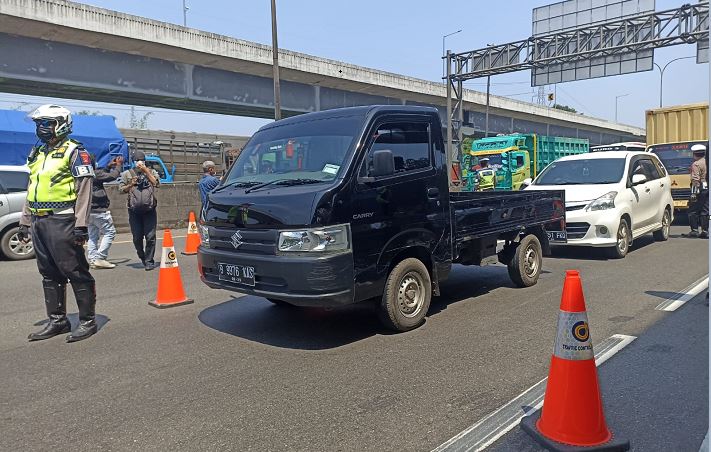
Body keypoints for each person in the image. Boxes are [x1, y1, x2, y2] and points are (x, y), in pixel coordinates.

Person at [18, 104, 98, 342]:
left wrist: (81, 224)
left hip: (63, 220)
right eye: (38, 124)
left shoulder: (75, 151)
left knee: (75, 270)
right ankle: (58, 321)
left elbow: (85, 190)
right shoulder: (37, 152)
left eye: (46, 123)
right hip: (39, 221)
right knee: (48, 273)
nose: (41, 128)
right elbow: (32, 188)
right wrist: (25, 221)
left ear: (61, 124)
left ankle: (87, 321)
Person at [119, 149, 160, 270]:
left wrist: (146, 171)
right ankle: (142, 255)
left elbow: (156, 183)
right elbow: (121, 189)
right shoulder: (127, 173)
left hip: (149, 210)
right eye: (137, 160)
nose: (139, 162)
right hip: (134, 211)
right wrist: (131, 184)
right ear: (133, 161)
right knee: (137, 237)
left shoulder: (151, 171)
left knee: (150, 236)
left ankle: (149, 260)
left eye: (141, 160)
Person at [87, 153, 123, 269]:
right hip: (99, 209)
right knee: (110, 232)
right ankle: (100, 258)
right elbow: (112, 176)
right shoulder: (95, 173)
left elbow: (102, 174)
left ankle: (93, 259)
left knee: (93, 235)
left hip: (87, 210)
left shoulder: (83, 173)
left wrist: (108, 166)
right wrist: (118, 165)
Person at [687, 144, 708, 238]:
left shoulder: (696, 164)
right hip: (707, 188)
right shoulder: (707, 162)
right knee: (705, 210)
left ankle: (694, 230)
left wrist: (693, 193)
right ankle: (705, 231)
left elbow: (695, 180)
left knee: (693, 210)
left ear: (694, 154)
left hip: (699, 189)